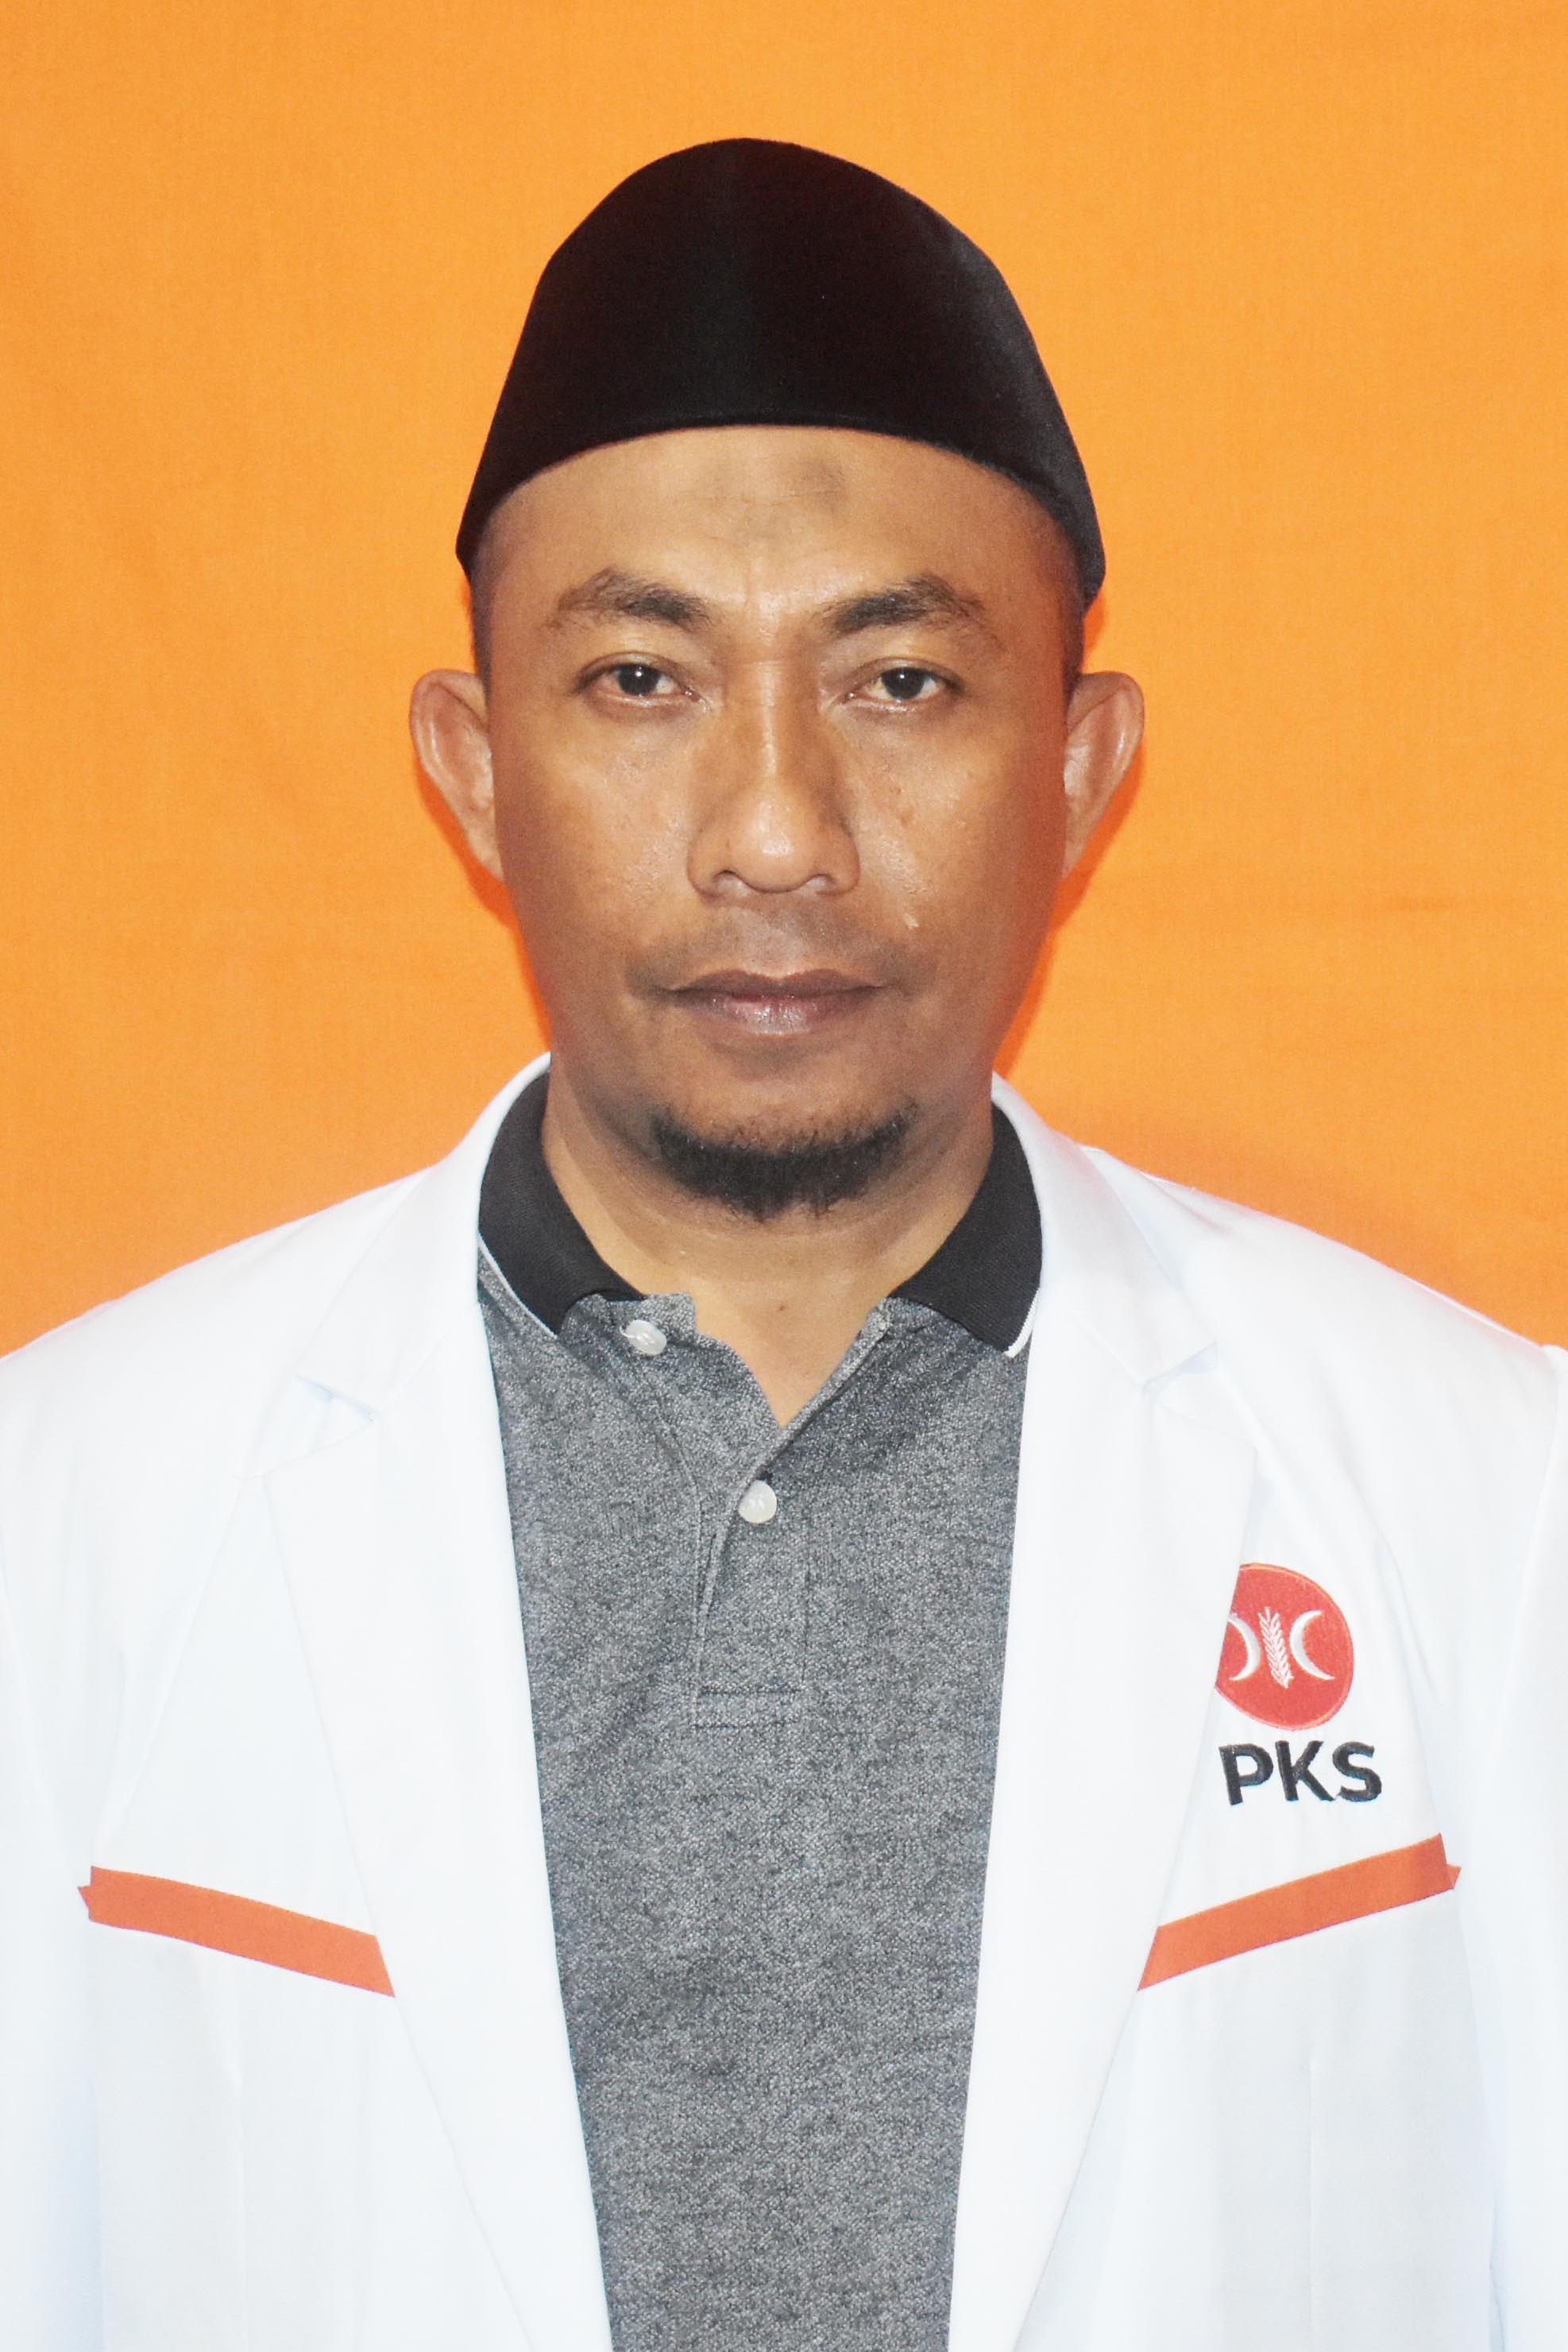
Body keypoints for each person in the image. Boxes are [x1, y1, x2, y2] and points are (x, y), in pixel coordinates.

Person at [1, 137, 1562, 2352]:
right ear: (471, 768)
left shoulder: (1483, 1500)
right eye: (641, 679)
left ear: (1082, 770)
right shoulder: (72, 1509)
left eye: (899, 682)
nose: (771, 835)